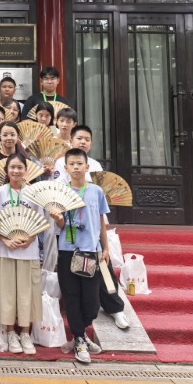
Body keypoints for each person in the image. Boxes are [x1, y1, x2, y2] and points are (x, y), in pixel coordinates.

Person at [53, 125, 129, 330]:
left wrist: (105, 245)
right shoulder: (61, 163)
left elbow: (100, 206)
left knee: (104, 272)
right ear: (71, 140)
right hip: (70, 233)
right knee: (74, 281)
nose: (83, 142)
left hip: (92, 233)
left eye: (87, 139)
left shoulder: (95, 166)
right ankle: (79, 328)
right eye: (79, 138)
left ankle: (115, 308)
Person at [50, 148, 110, 365]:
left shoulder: (96, 191)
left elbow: (101, 221)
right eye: (72, 164)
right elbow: (61, 226)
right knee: (72, 296)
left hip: (91, 251)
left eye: (79, 163)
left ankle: (79, 335)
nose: (76, 167)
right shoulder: (61, 192)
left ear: (87, 166)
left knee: (92, 302)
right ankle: (80, 340)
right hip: (68, 251)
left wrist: (105, 248)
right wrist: (58, 219)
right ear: (66, 168)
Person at [0, 153, 54, 356]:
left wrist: (31, 237)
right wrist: (5, 240)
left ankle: (25, 333)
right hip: (6, 251)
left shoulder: (33, 193)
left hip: (29, 251)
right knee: (7, 292)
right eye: (12, 167)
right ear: (6, 170)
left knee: (27, 294)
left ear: (26, 170)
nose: (16, 171)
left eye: (20, 167)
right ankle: (10, 332)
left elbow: (40, 221)